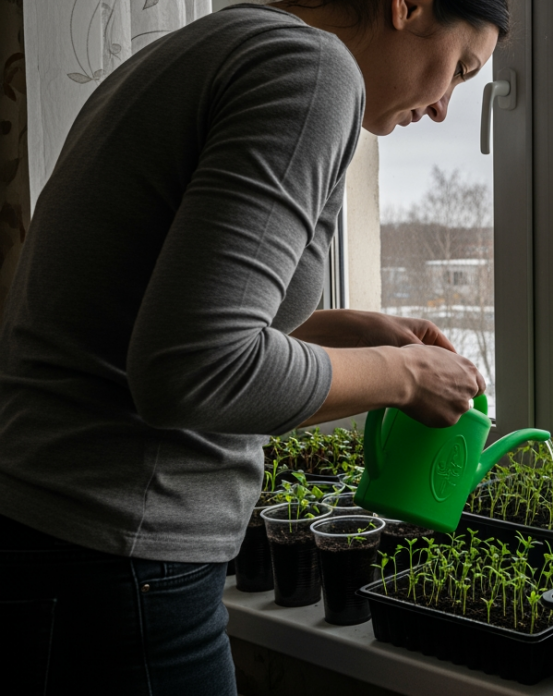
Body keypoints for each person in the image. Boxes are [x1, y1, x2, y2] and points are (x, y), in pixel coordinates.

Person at [0, 1, 507, 692]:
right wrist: (404, 376)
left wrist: (352, 332)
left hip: (52, 537)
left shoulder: (214, 43)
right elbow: (195, 372)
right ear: (409, 6)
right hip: (118, 559)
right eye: (462, 68)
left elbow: (164, 323)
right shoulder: (314, 72)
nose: (445, 107)